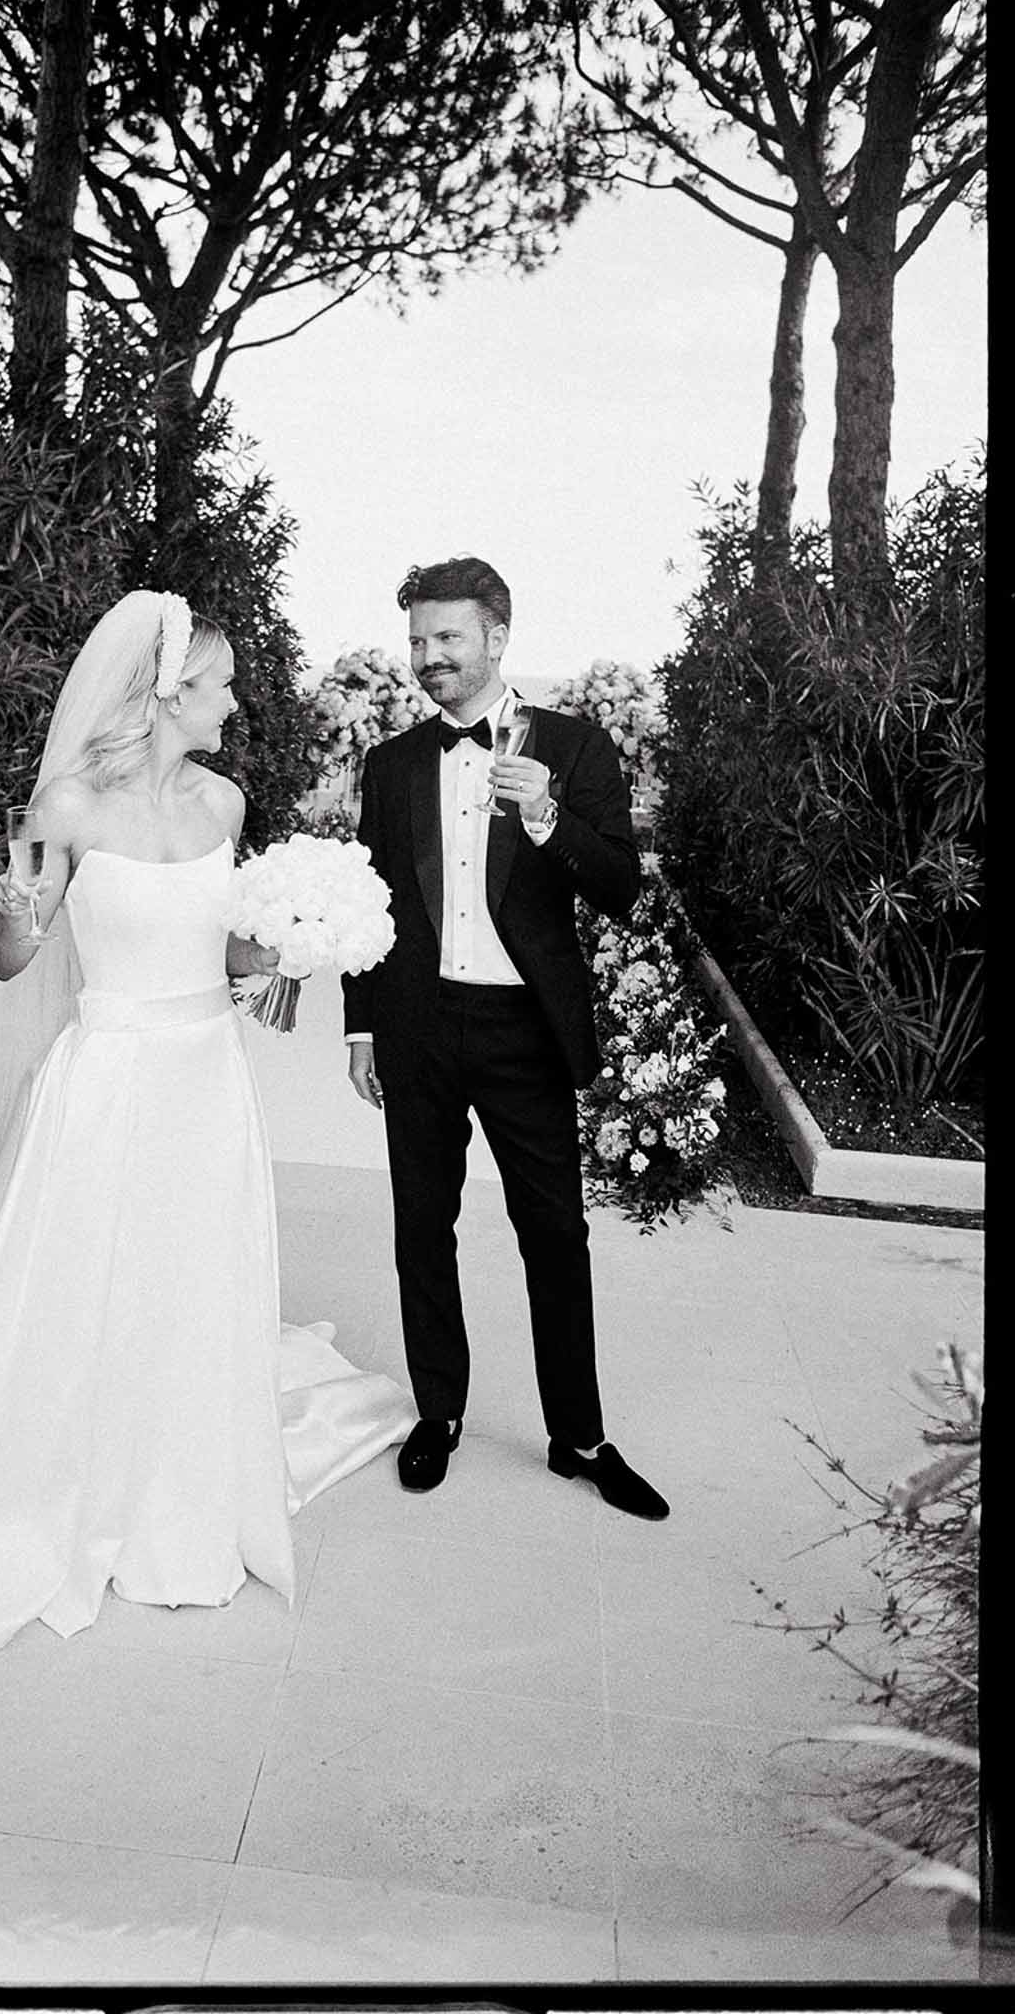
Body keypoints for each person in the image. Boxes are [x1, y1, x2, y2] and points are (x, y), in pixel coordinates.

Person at [0, 589, 414, 1648]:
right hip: (108, 1073)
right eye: (215, 684)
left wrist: (289, 945)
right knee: (84, 1270)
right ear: (164, 692)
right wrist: (13, 912)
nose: (231, 702)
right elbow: (8, 958)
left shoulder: (222, 805)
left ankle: (176, 1456)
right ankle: (63, 1465)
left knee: (189, 1266)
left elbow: (221, 952)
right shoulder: (64, 807)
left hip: (205, 1075)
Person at [344, 556, 669, 1520]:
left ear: (495, 637)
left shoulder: (573, 747)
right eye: (417, 641)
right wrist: (362, 1026)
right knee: (420, 1227)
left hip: (524, 1030)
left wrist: (545, 816)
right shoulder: (392, 763)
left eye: (447, 638)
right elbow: (369, 904)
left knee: (555, 1234)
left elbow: (620, 883)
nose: (428, 657)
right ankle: (438, 1413)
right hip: (418, 1028)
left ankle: (579, 1436)